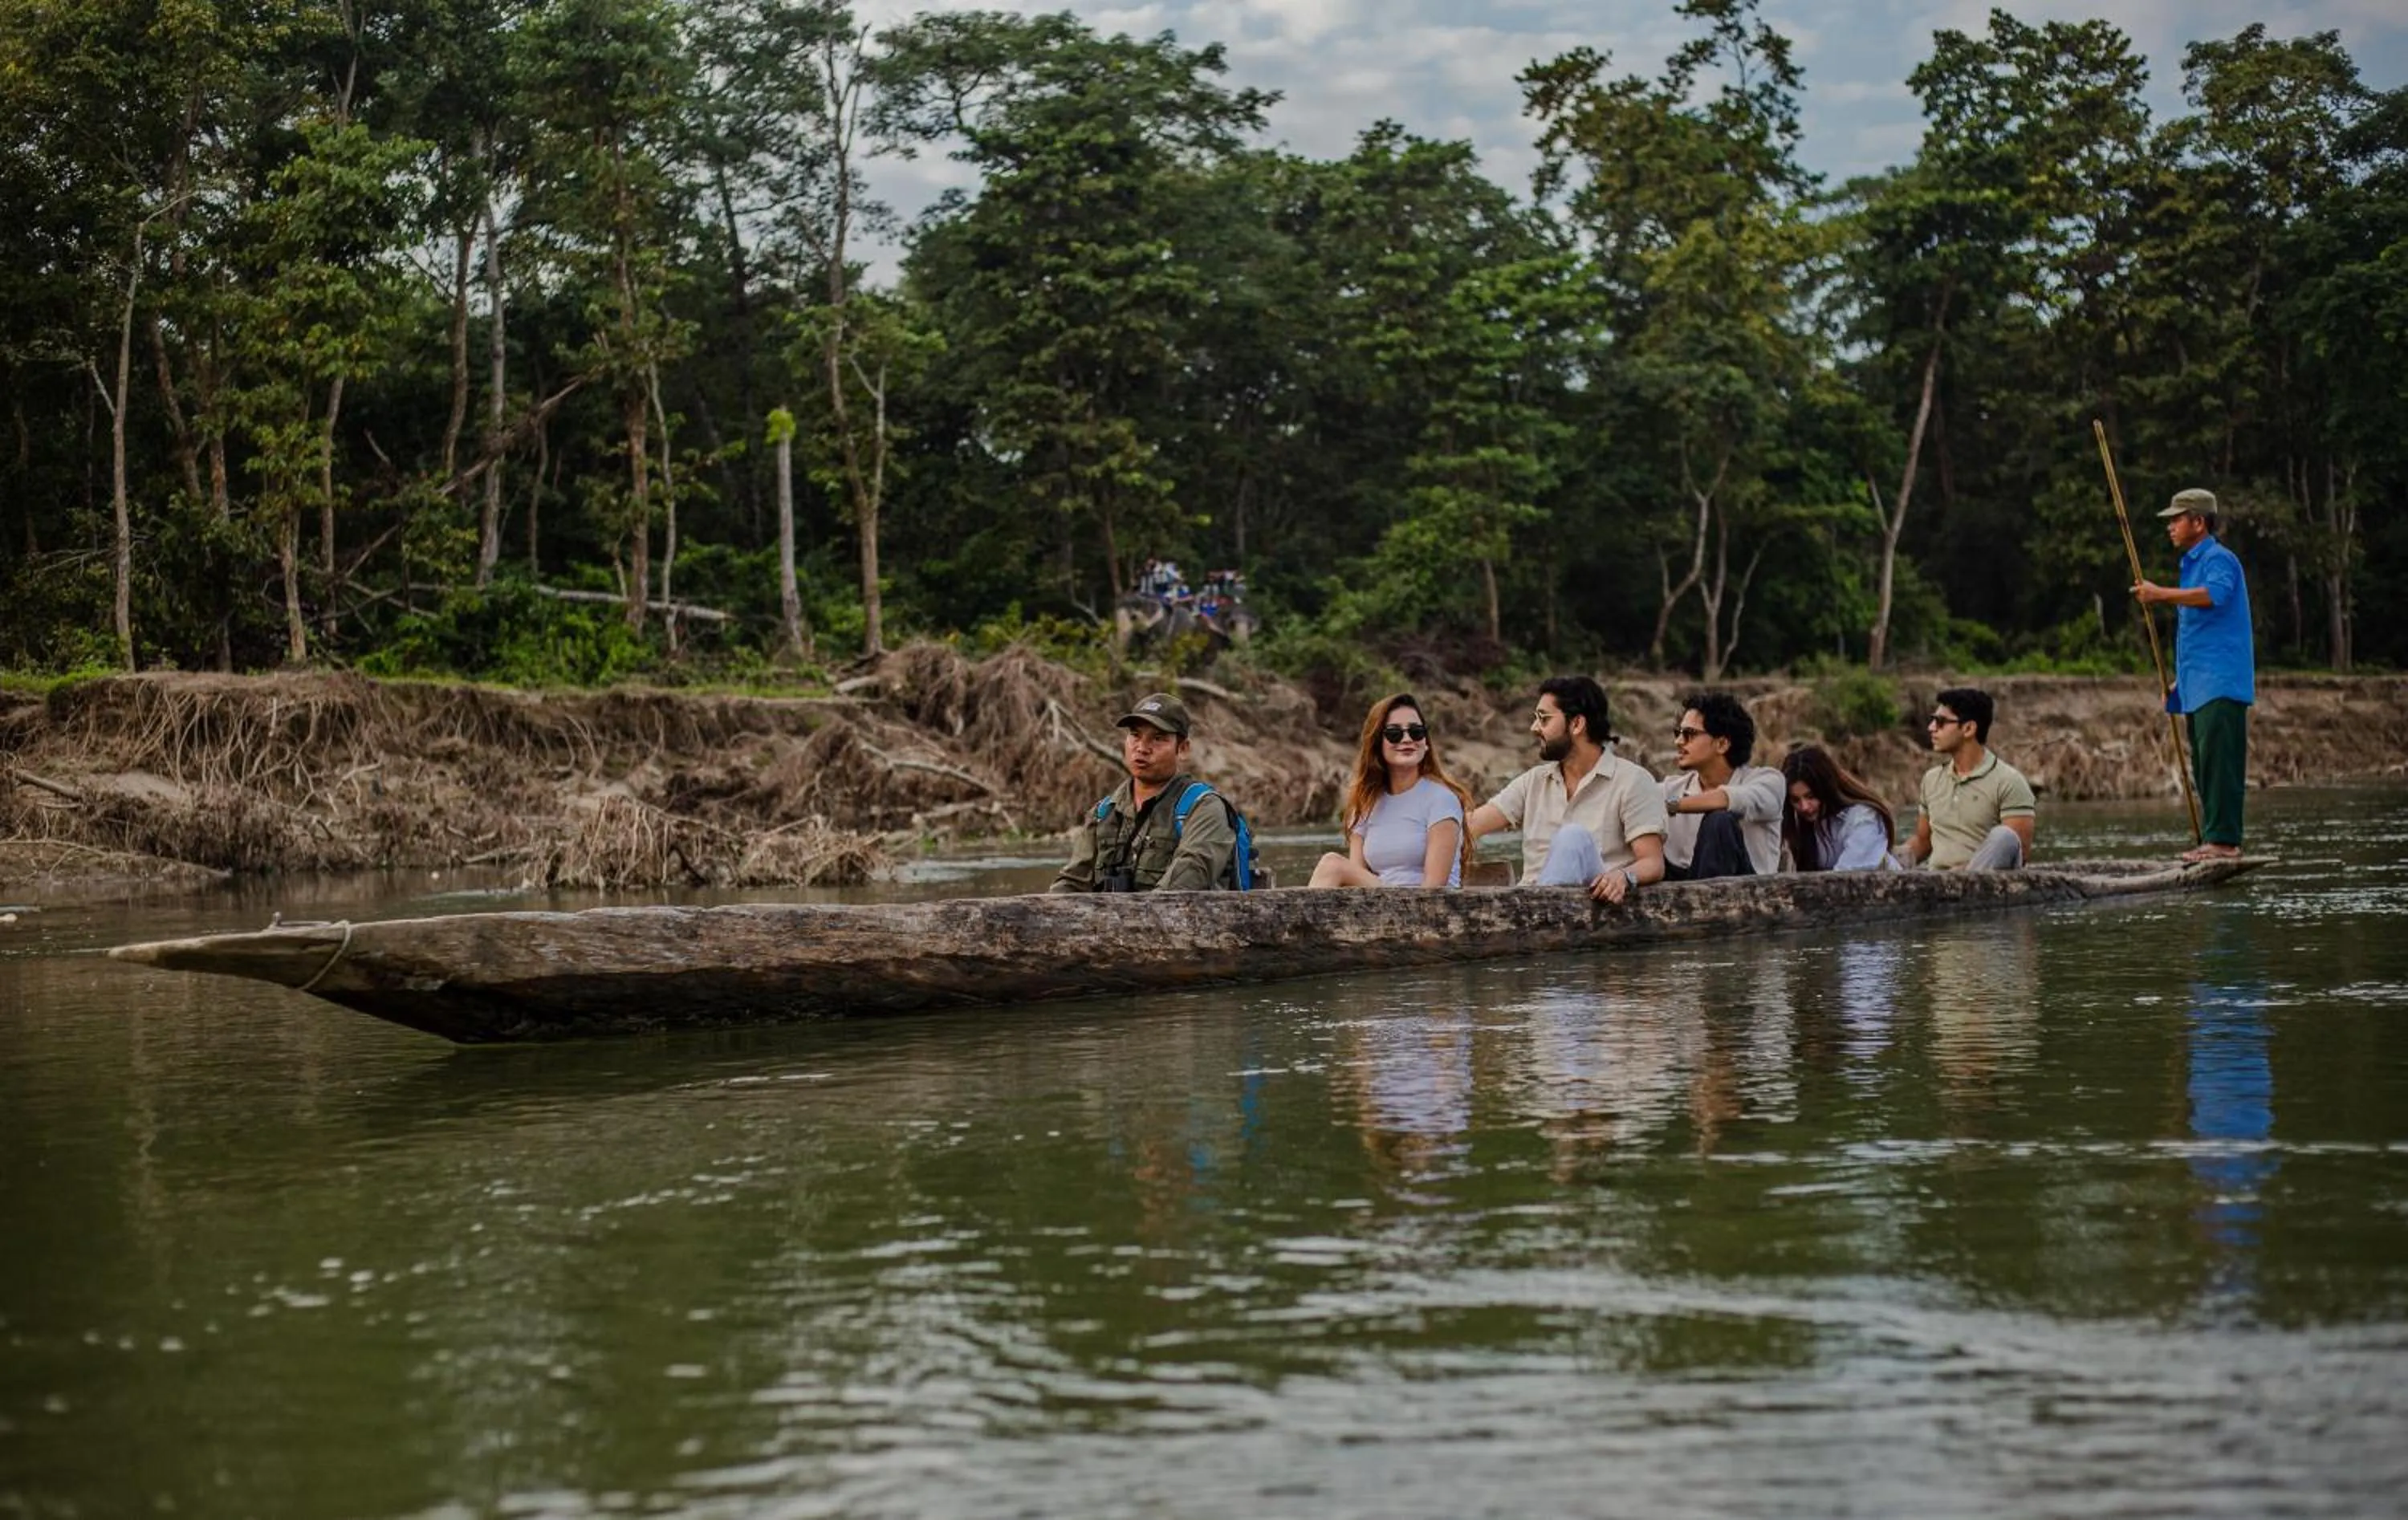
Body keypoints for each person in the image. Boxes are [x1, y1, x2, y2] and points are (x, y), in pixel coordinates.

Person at [2133, 487, 2254, 861]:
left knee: (2220, 764)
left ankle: (2224, 842)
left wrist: (2159, 594)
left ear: (2198, 522)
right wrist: (2181, 682)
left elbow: (2212, 596)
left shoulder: (2220, 559)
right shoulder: (2190, 564)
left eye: (2177, 519)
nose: (2170, 526)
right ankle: (2214, 839)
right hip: (2199, 684)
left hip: (2221, 683)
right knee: (2204, 764)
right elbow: (2199, 635)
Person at [1466, 675, 1666, 902]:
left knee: (1573, 838)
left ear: (1577, 724)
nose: (1534, 728)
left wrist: (1622, 876)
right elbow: (1472, 825)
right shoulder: (1534, 781)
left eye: (1544, 719)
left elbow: (1653, 863)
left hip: (1596, 907)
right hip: (1528, 907)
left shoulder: (1633, 781)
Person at [1051, 693, 1240, 892]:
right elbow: (1073, 883)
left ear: (1182, 749)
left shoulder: (1203, 808)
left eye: (1158, 738)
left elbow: (1183, 885)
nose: (1141, 748)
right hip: (1110, 921)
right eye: (1135, 735)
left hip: (1177, 921)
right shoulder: (1104, 813)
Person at [1308, 694, 1473, 888]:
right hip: (1380, 908)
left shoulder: (1441, 800)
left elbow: (1434, 890)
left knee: (1333, 865)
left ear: (1426, 742)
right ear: (1377, 744)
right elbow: (1354, 883)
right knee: (1333, 867)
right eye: (1394, 733)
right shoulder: (1365, 804)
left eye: (1416, 732)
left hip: (1429, 910)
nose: (1407, 739)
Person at [1901, 687, 2036, 871]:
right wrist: (1888, 858)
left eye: (1940, 722)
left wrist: (1964, 872)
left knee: (2006, 837)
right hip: (1937, 883)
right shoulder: (1931, 779)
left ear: (1968, 729)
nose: (1931, 728)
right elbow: (1923, 842)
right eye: (1933, 721)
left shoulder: (2009, 781)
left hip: (1983, 884)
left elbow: (2020, 852)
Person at [1661, 691, 1784, 880]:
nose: (1678, 742)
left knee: (1720, 822)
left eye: (1689, 734)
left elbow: (1728, 798)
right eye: (1678, 733)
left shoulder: (1768, 782)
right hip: (1685, 882)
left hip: (1747, 893)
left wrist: (1671, 806)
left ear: (1722, 744)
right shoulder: (1672, 788)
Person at [1780, 745, 1899, 872]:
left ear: (1826, 788)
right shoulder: (1800, 826)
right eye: (1796, 800)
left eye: (1811, 796)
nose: (1804, 807)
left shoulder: (1863, 818)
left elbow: (1847, 875)